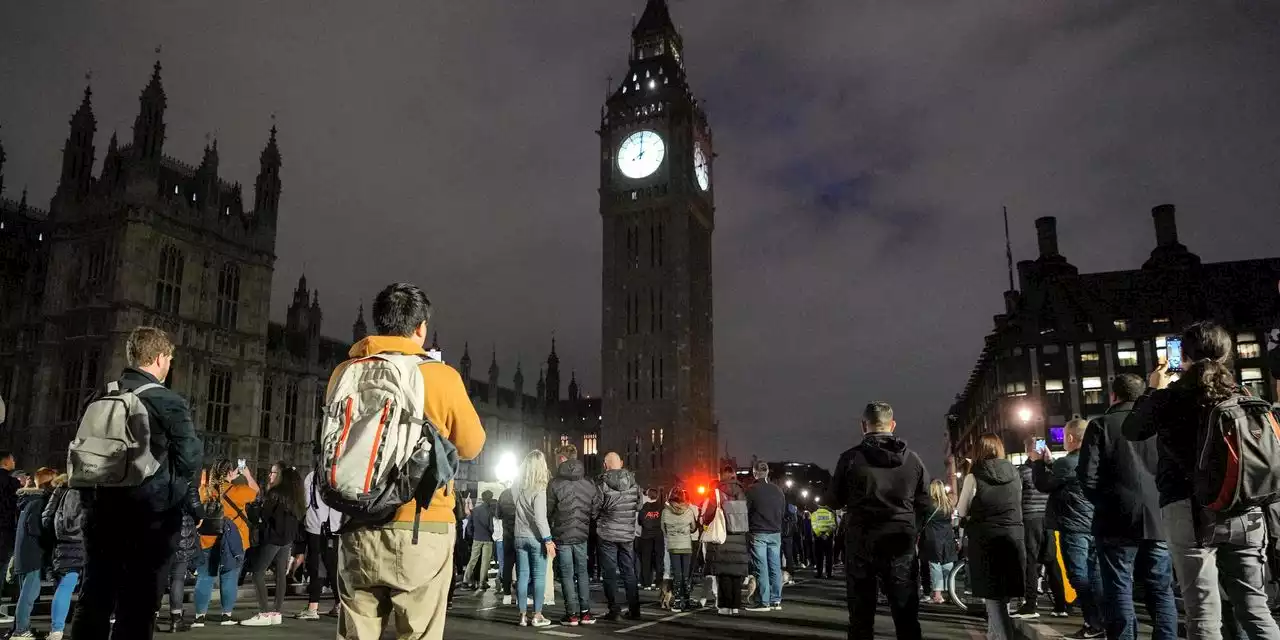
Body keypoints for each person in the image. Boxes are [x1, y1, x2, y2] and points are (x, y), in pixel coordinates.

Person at [333, 282, 486, 640]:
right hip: (422, 526)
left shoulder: (345, 372)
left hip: (357, 522)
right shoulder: (441, 376)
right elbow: (472, 445)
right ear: (421, 328)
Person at [1123, 321, 1280, 640]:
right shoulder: (1243, 396)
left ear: (1185, 356)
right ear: (1227, 354)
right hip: (1246, 511)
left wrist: (1154, 388)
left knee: (1204, 615)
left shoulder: (1170, 399)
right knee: (1255, 609)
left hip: (1189, 513)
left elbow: (1133, 429)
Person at [74, 326, 204, 640]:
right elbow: (191, 457)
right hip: (149, 517)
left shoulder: (101, 394)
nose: (170, 365)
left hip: (100, 512)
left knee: (95, 597)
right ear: (160, 358)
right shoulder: (166, 399)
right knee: (138, 606)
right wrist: (187, 499)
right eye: (170, 359)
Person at [1077, 373, 1176, 640]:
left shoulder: (1101, 425)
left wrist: (1104, 501)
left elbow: (1087, 476)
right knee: (1161, 588)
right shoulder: (1159, 424)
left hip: (1115, 519)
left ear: (1114, 395)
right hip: (1158, 516)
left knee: (1119, 587)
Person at [831, 401, 930, 640]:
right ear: (892, 424)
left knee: (861, 616)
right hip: (900, 540)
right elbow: (926, 502)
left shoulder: (850, 459)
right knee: (906, 613)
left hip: (862, 541)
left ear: (864, 425)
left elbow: (834, 499)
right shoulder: (913, 460)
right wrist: (912, 527)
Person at [1032, 419, 1102, 639]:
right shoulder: (1096, 458)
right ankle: (1104, 620)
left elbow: (1043, 485)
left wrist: (1037, 462)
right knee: (1096, 575)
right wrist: (1052, 464)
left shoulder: (1068, 462)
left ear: (1071, 438)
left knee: (1077, 575)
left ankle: (1094, 622)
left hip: (1073, 527)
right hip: (1095, 524)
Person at [957, 434, 1025, 640]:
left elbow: (961, 510)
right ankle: (994, 635)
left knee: (993, 596)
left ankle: (1003, 636)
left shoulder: (973, 476)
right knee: (1003, 596)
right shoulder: (1014, 472)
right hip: (1013, 537)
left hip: (986, 540)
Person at [193, 458, 259, 627]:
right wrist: (246, 475)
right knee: (229, 576)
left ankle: (200, 617)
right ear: (230, 473)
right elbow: (256, 491)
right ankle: (226, 615)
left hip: (208, 540)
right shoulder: (239, 490)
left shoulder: (205, 492)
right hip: (233, 542)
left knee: (205, 577)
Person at [242, 463, 306, 626]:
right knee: (280, 576)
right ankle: (276, 612)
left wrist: (253, 508)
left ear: (281, 476)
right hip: (287, 539)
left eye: (273, 473)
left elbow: (263, 515)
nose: (270, 476)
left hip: (273, 538)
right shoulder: (296, 497)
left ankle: (264, 613)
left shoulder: (275, 493)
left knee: (257, 573)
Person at [547, 444, 598, 626]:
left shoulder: (554, 483)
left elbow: (548, 510)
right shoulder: (588, 483)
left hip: (562, 535)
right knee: (582, 573)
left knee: (567, 575)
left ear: (561, 459)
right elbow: (595, 508)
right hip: (582, 535)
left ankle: (572, 614)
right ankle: (585, 612)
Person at [1014, 444, 1065, 619]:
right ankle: (1061, 605)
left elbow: (1017, 496)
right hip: (1049, 519)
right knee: (1051, 561)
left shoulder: (1022, 471)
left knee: (1031, 561)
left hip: (1030, 519)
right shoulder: (1050, 470)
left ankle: (1030, 605)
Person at [595, 452, 643, 621]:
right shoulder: (634, 483)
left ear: (605, 465)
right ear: (621, 463)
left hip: (607, 532)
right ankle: (635, 609)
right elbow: (639, 505)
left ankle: (614, 610)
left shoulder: (602, 484)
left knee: (609, 573)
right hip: (627, 534)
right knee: (629, 572)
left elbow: (595, 508)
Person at [10, 467, 55, 639]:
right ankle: (21, 630)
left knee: (26, 593)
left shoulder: (27, 499)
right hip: (32, 553)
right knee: (30, 594)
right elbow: (35, 528)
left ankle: (22, 626)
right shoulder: (39, 501)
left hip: (24, 552)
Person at [701, 465, 751, 615]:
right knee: (736, 574)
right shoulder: (742, 492)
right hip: (739, 537)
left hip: (722, 537)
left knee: (723, 574)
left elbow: (708, 514)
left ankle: (724, 606)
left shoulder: (716, 492)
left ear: (720, 474)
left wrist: (704, 520)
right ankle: (735, 606)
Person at [513, 450, 555, 628]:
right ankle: (537, 615)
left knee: (522, 576)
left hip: (519, 535)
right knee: (539, 577)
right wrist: (548, 539)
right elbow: (540, 518)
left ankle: (522, 616)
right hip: (536, 538)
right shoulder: (539, 489)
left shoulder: (516, 486)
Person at [42, 473, 85, 640]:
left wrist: (56, 535)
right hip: (88, 542)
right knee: (92, 589)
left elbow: (46, 517)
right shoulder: (94, 486)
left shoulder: (61, 489)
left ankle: (57, 631)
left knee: (65, 586)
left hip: (64, 543)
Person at [297, 468, 341, 620]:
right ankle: (339, 604)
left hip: (316, 525)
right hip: (335, 527)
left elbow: (306, 501)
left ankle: (313, 607)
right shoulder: (341, 475)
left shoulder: (312, 476)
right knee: (334, 566)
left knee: (316, 566)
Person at [158, 484, 203, 632]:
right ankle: (176, 619)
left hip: (159, 532)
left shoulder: (159, 478)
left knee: (158, 578)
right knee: (177, 578)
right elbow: (198, 510)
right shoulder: (188, 484)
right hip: (182, 534)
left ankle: (152, 616)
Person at [745, 461, 787, 612]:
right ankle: (776, 600)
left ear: (755, 473)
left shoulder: (751, 490)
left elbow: (746, 512)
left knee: (761, 567)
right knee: (775, 567)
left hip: (759, 532)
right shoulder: (778, 491)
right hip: (775, 533)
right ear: (767, 472)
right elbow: (783, 513)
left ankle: (764, 601)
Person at [920, 479, 958, 605]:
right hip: (947, 538)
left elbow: (921, 521)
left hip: (932, 538)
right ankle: (950, 593)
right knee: (948, 565)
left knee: (935, 566)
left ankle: (937, 595)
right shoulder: (948, 504)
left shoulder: (929, 505)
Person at [660, 488, 696, 611]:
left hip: (673, 545)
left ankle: (676, 601)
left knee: (677, 574)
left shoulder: (665, 512)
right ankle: (686, 600)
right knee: (686, 574)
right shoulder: (689, 511)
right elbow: (693, 528)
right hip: (686, 545)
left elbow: (663, 530)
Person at [0, 452, 20, 626]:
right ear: (6, 461)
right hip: (4, 531)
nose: (14, 462)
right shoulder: (11, 483)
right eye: (13, 459)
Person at [463, 491, 496, 591]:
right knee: (485, 562)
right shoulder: (490, 511)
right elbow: (491, 526)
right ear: (490, 498)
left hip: (476, 538)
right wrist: (492, 534)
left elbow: (469, 525)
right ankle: (482, 583)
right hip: (487, 539)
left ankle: (465, 579)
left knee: (473, 559)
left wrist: (472, 535)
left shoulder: (475, 510)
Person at [637, 488, 665, 590]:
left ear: (647, 496)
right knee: (659, 560)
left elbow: (640, 521)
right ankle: (659, 583)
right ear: (657, 496)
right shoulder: (661, 508)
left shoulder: (643, 508)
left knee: (646, 560)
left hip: (646, 536)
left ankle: (646, 583)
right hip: (658, 536)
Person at [497, 482, 519, 605]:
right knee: (522, 567)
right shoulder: (523, 492)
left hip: (507, 535)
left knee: (507, 566)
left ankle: (506, 594)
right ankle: (521, 596)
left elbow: (498, 514)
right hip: (521, 533)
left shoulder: (504, 494)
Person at [811, 504, 837, 579]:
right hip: (828, 538)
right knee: (829, 557)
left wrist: (819, 534)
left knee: (819, 557)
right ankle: (829, 574)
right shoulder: (830, 514)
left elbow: (814, 526)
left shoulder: (814, 514)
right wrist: (827, 534)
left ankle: (819, 573)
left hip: (818, 538)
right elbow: (833, 526)